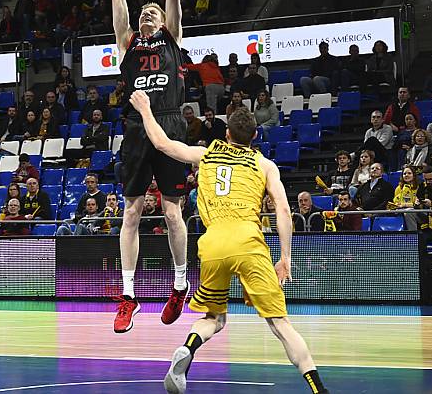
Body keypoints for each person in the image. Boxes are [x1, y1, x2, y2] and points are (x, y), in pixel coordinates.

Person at [128, 91, 328, 394]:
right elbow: (284, 210)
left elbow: (162, 144)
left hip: (213, 242)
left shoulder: (206, 153)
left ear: (226, 133)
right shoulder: (265, 165)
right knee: (280, 324)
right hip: (248, 242)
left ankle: (188, 348)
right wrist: (285, 257)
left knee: (214, 318)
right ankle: (318, 389)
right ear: (255, 135)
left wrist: (144, 109)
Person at [112, 0, 189, 333]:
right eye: (144, 12)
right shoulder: (127, 43)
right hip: (137, 129)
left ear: (163, 21)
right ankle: (128, 296)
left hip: (171, 124)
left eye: (153, 12)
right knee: (132, 211)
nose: (147, 14)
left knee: (173, 213)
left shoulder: (172, 37)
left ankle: (179, 285)